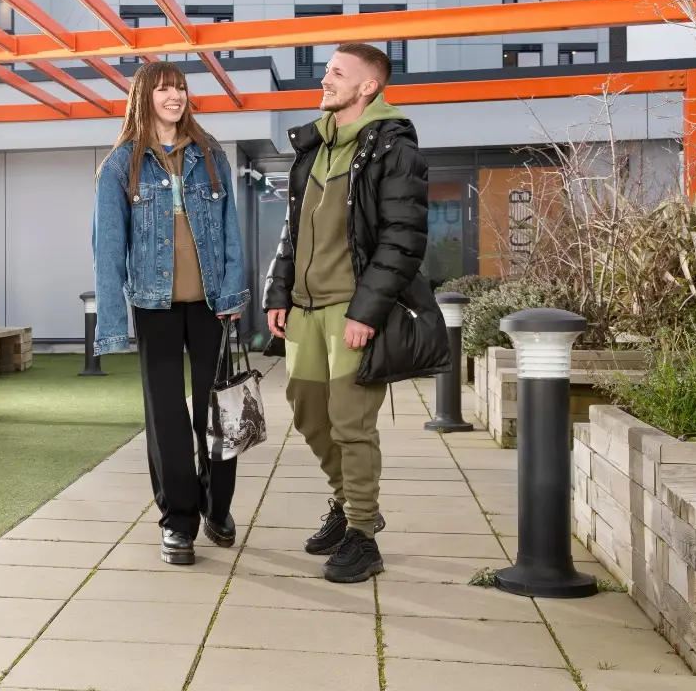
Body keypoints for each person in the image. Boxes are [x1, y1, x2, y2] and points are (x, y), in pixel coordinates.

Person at [263, 43, 449, 583]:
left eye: (337, 73)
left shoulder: (394, 149)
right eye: (327, 71)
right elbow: (293, 233)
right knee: (307, 412)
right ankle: (347, 505)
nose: (326, 79)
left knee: (351, 422)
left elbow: (402, 238)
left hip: (352, 309)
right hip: (304, 307)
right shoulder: (313, 147)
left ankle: (363, 535)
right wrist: (280, 293)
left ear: (368, 86)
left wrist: (367, 310)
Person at [92, 61, 250, 566]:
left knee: (220, 413)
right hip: (152, 307)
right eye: (163, 89)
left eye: (179, 88)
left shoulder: (211, 155)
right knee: (166, 420)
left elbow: (230, 233)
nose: (174, 96)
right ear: (143, 97)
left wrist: (231, 296)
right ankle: (178, 522)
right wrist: (114, 323)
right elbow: (108, 248)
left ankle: (217, 508)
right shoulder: (121, 165)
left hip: (212, 309)